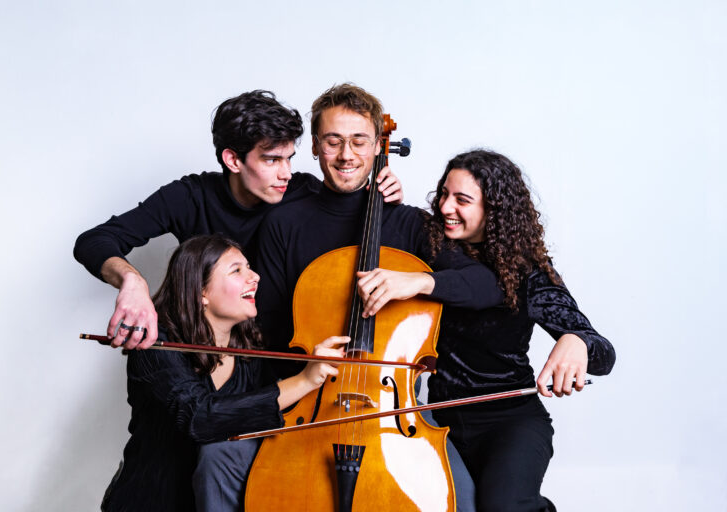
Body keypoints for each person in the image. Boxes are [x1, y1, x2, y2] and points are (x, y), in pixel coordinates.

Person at [252, 84, 504, 511]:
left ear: (376, 148)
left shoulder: (409, 224)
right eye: (333, 141)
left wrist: (417, 283)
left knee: (461, 500)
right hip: (310, 400)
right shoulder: (283, 222)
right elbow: (266, 326)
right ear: (314, 147)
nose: (346, 155)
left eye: (359, 141)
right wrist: (306, 369)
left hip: (394, 409)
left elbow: (487, 285)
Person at [356, 150, 617, 511]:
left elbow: (604, 354)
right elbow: (362, 223)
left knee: (503, 506)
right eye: (444, 194)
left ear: (494, 209)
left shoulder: (527, 272)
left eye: (462, 200)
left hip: (510, 422)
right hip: (438, 420)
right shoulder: (428, 243)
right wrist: (381, 195)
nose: (446, 207)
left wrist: (578, 340)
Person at [73, 90, 402, 350]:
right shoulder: (188, 197)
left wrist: (382, 192)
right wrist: (133, 282)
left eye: (289, 158)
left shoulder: (302, 190)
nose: (286, 173)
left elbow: (349, 210)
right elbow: (94, 241)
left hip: (276, 357)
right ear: (233, 160)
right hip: (203, 353)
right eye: (272, 160)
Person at [101, 234, 348, 512]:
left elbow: (265, 423)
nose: (254, 277)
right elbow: (199, 417)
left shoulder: (249, 349)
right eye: (237, 270)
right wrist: (304, 380)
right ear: (201, 292)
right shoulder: (156, 344)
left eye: (249, 267)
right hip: (151, 502)